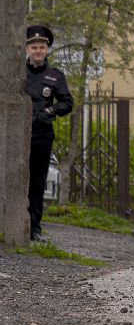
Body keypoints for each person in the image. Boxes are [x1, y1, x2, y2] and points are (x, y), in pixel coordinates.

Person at [23, 25, 73, 242]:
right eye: (33, 47)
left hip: (41, 134)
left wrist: (51, 110)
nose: (37, 50)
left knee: (37, 181)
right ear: (27, 49)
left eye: (41, 47)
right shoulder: (17, 72)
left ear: (47, 50)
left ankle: (34, 228)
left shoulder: (54, 76)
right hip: (17, 135)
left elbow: (67, 102)